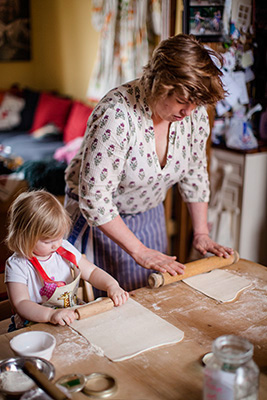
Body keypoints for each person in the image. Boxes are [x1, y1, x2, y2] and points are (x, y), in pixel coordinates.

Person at [65, 33, 234, 295]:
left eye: (196, 103)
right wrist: (139, 250)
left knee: (152, 297)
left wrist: (201, 232)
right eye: (181, 101)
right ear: (160, 84)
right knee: (107, 306)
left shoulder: (193, 114)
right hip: (100, 222)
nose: (188, 112)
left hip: (149, 214)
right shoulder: (117, 115)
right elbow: (96, 200)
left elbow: (195, 172)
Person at [4, 190, 128, 331]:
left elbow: (92, 272)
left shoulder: (64, 248)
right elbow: (21, 303)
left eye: (59, 237)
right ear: (24, 237)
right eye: (49, 241)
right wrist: (51, 314)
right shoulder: (17, 265)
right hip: (35, 325)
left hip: (70, 316)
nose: (57, 245)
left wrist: (111, 285)